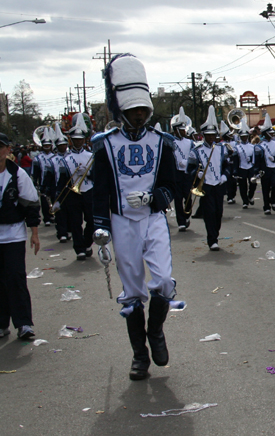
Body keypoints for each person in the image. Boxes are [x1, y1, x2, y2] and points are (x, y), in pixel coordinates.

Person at [91, 53, 182, 380]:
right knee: (131, 291)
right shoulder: (104, 146)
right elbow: (99, 192)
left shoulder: (163, 143)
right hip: (120, 221)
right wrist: (100, 232)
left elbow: (173, 185)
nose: (140, 115)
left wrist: (153, 197)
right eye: (133, 110)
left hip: (153, 219)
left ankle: (155, 331)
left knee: (162, 281)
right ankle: (139, 356)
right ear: (121, 110)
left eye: (144, 109)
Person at [0, 132, 40, 341]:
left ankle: (23, 323)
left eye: (1, 147)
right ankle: (1, 323)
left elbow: (31, 204)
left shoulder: (17, 175)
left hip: (13, 234)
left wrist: (34, 233)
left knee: (15, 277)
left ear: (8, 150)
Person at [188, 107, 229, 251]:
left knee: (218, 213)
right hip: (205, 186)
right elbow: (190, 169)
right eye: (208, 135)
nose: (211, 138)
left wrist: (225, 175)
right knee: (209, 213)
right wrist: (197, 174)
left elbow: (227, 166)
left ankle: (215, 235)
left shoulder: (221, 149)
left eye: (213, 135)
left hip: (218, 184)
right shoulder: (196, 151)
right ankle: (212, 240)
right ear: (203, 135)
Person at [60, 115, 95, 260]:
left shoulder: (91, 155)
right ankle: (79, 248)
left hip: (89, 190)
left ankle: (87, 243)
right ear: (71, 140)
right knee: (75, 222)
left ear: (84, 140)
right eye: (75, 140)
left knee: (92, 221)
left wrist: (88, 173)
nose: (78, 142)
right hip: (73, 192)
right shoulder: (66, 159)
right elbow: (62, 181)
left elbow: (97, 176)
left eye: (80, 139)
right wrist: (58, 199)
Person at [170, 108, 194, 231]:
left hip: (187, 174)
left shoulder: (190, 142)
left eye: (184, 130)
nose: (184, 132)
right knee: (178, 198)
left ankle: (187, 215)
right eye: (181, 130)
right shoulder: (171, 142)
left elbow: (194, 156)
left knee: (188, 198)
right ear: (176, 131)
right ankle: (181, 222)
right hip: (176, 174)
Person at [255, 115, 275, 215]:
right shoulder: (260, 145)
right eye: (270, 133)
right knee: (265, 188)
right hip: (265, 169)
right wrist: (256, 171)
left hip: (273, 168)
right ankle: (266, 206)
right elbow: (257, 160)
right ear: (265, 134)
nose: (272, 135)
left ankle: (273, 201)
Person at [234, 122, 257, 208]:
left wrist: (254, 167)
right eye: (242, 136)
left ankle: (250, 196)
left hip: (250, 167)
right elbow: (236, 160)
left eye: (245, 136)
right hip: (241, 167)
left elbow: (254, 158)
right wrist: (235, 171)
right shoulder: (237, 147)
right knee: (243, 185)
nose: (244, 138)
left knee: (253, 184)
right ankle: (245, 201)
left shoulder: (252, 146)